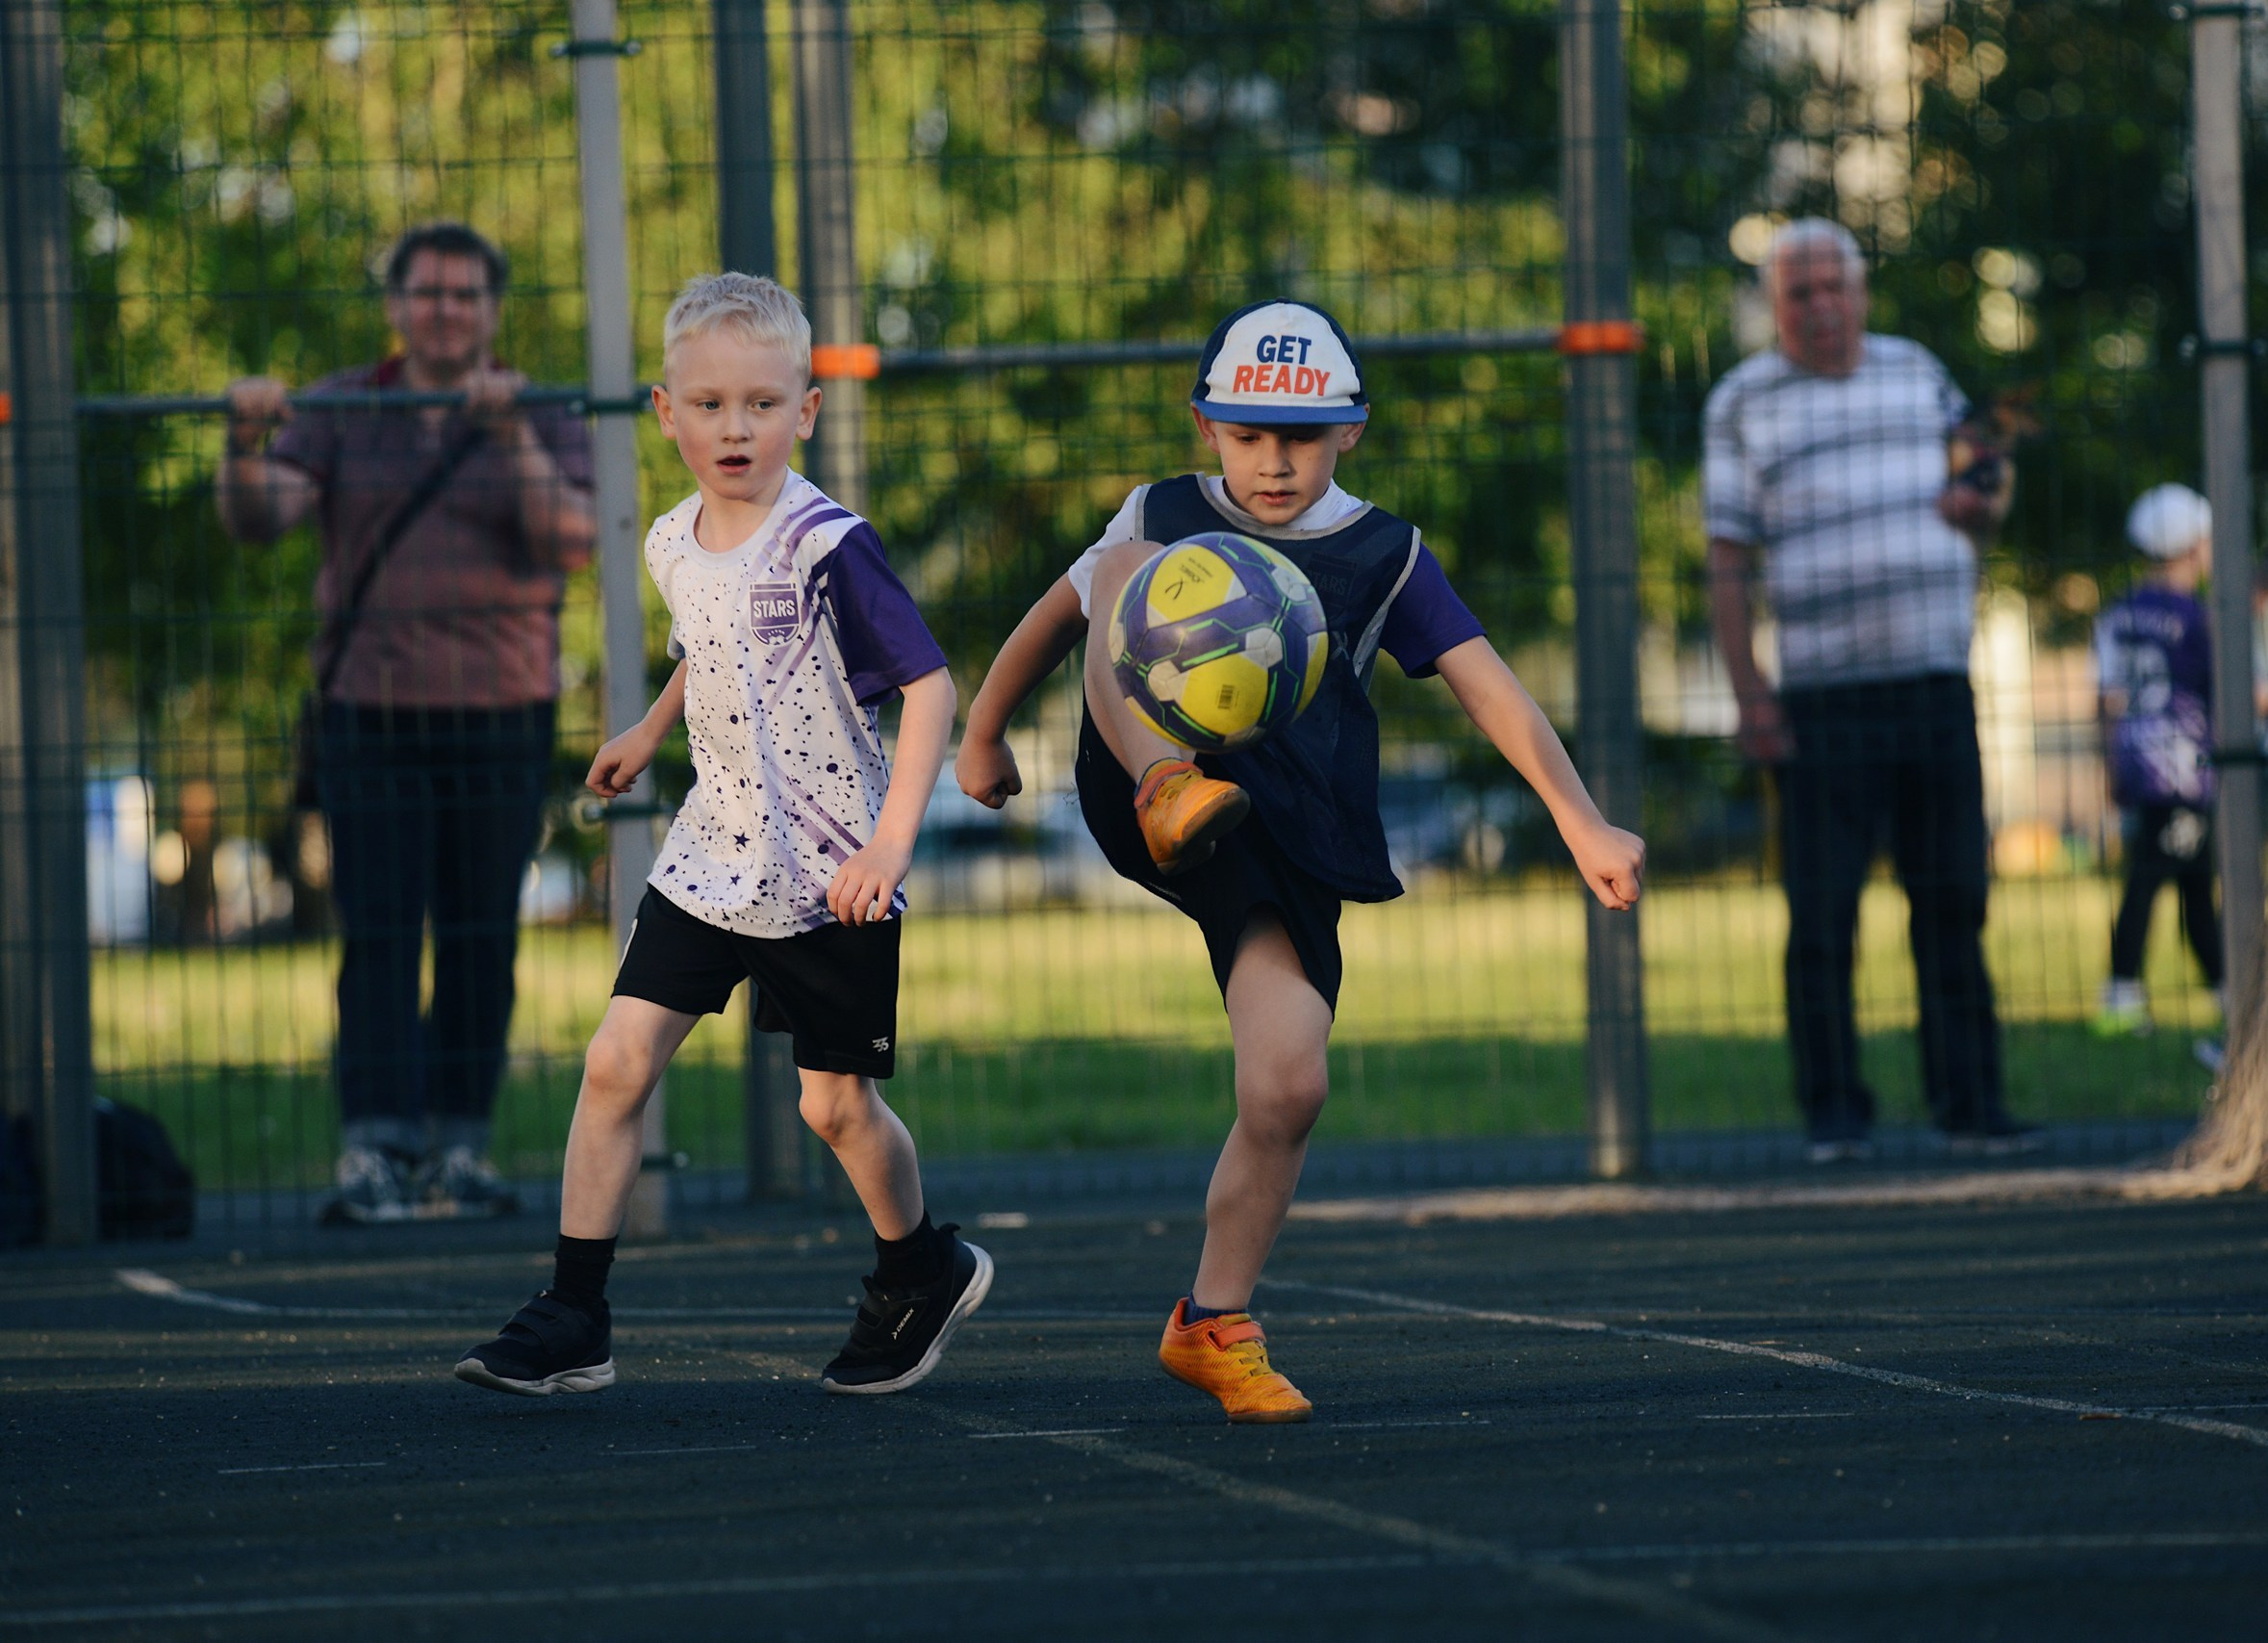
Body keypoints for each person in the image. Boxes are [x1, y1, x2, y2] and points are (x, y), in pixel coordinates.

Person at [956, 298, 1644, 1422]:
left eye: (1303, 438)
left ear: (1351, 433)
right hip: (1158, 781)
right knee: (1126, 560)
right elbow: (1054, 615)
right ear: (1205, 427)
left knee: (1288, 1083)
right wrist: (985, 733)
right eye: (1247, 436)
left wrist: (1578, 817)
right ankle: (1166, 785)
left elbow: (1487, 682)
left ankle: (1210, 1323)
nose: (1273, 462)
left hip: (1294, 824)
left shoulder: (1384, 553)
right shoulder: (1164, 510)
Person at [454, 272, 986, 1398]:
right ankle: (574, 1314)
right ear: (665, 412)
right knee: (615, 1061)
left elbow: (931, 687)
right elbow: (714, 640)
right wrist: (651, 729)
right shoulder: (670, 543)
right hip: (710, 855)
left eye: (758, 403)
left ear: (805, 410)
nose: (732, 427)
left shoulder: (829, 544)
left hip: (832, 869)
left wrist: (888, 849)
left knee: (832, 1105)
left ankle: (920, 1264)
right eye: (707, 405)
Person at [217, 221, 598, 1222]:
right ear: (395, 308)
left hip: (502, 719)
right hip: (370, 717)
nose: (446, 311)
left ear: (492, 311)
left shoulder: (543, 412)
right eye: (427, 294)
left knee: (482, 938)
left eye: (465, 296)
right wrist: (240, 441)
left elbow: (571, 538)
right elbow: (262, 518)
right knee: (378, 938)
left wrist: (508, 434)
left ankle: (459, 1151)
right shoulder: (344, 405)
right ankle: (375, 1151)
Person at [1702, 218, 2040, 1162]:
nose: (1818, 308)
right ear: (1774, 309)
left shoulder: (1917, 369)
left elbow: (1987, 477)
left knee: (1954, 897)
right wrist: (1750, 695)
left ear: (1860, 294)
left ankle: (1970, 1103)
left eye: (1831, 288)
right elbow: (1727, 562)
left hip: (1933, 682)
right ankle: (1835, 1115)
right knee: (1821, 912)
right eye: (1796, 294)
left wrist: (1984, 497)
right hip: (1818, 698)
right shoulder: (1741, 401)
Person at [2092, 485, 2226, 1072]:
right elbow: (2227, 693)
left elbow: (2106, 697)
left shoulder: (2118, 614)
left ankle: (2225, 988)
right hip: (2184, 772)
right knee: (2152, 881)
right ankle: (2121, 991)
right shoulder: (2197, 618)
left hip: (2139, 764)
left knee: (2194, 881)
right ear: (2195, 545)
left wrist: (2109, 762)